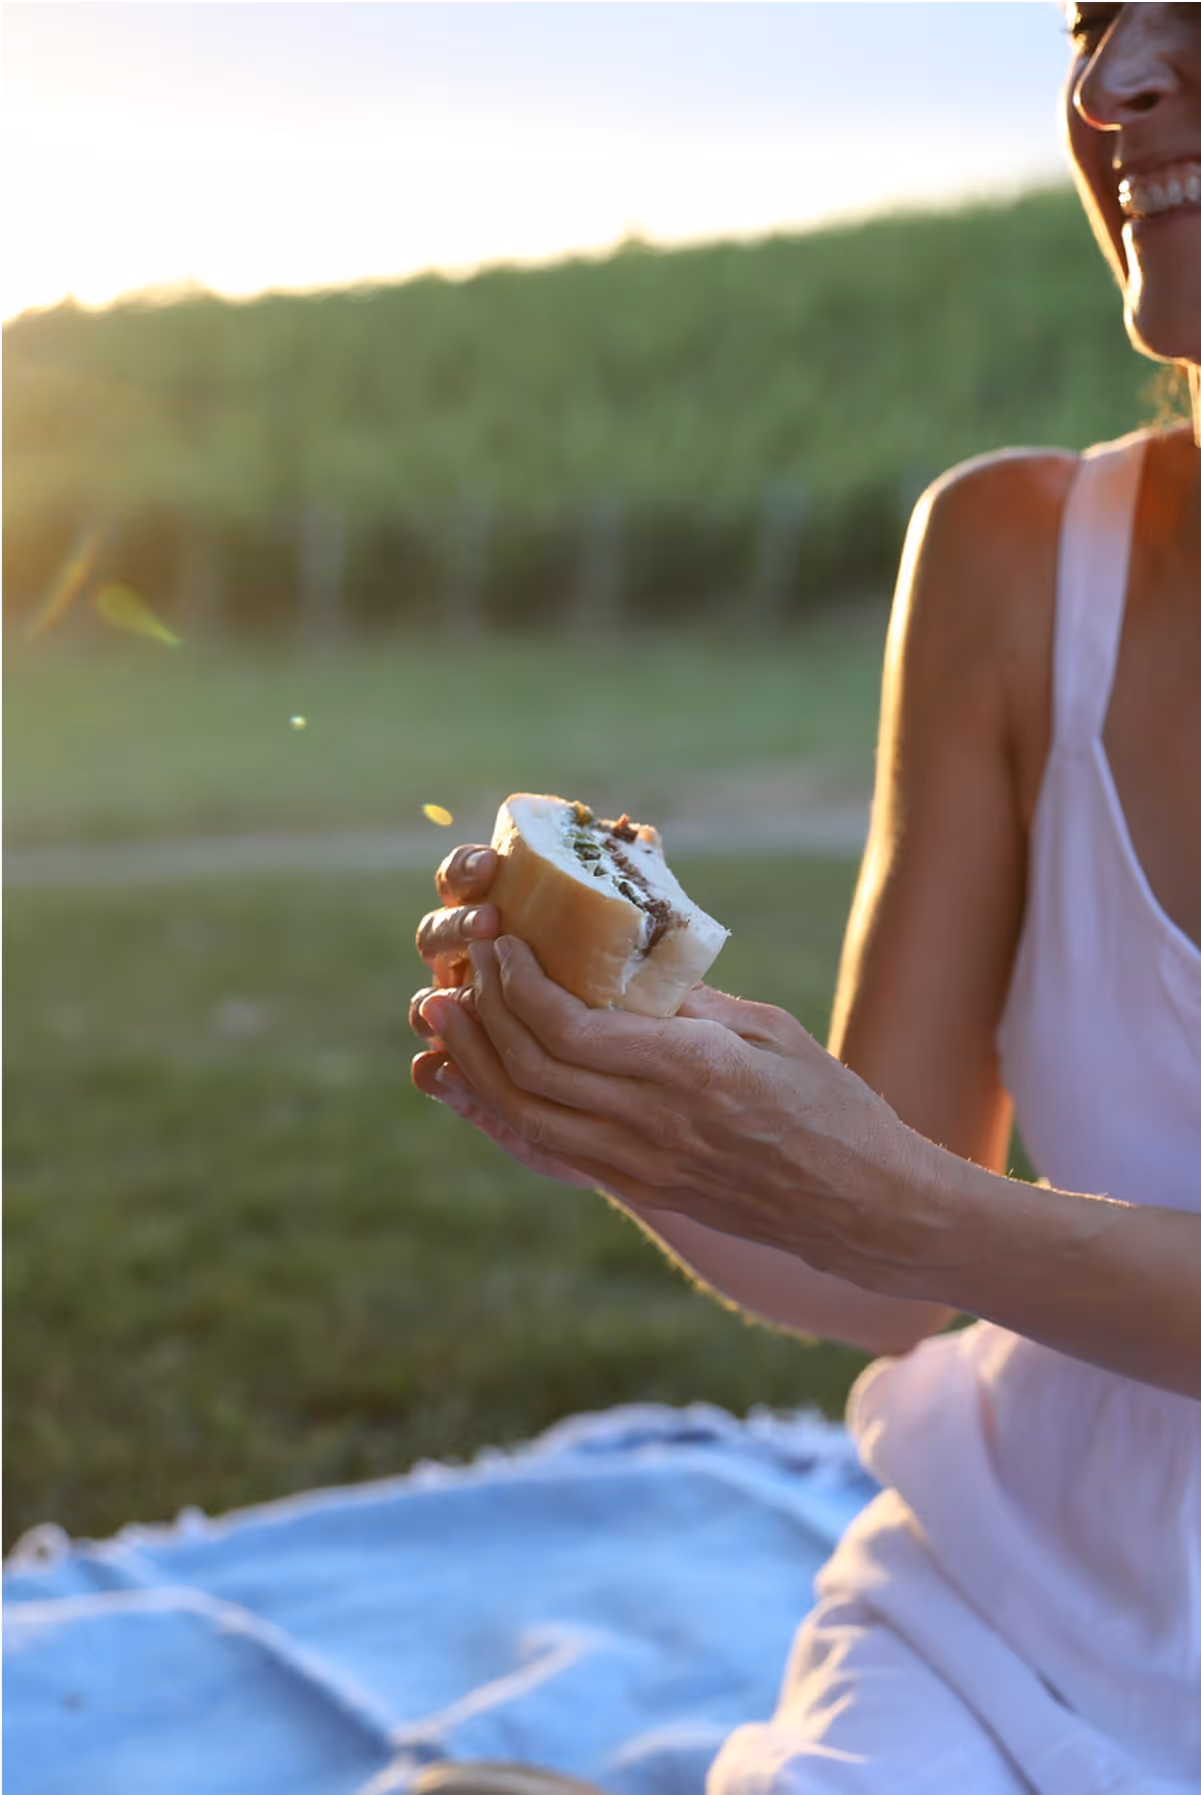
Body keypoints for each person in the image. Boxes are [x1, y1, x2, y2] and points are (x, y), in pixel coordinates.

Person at [411, 6, 1201, 1791]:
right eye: (1093, 17)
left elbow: (910, 1218)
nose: (1109, 84)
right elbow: (863, 1262)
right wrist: (626, 1094)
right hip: (1002, 1622)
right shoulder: (1016, 564)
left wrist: (922, 1215)